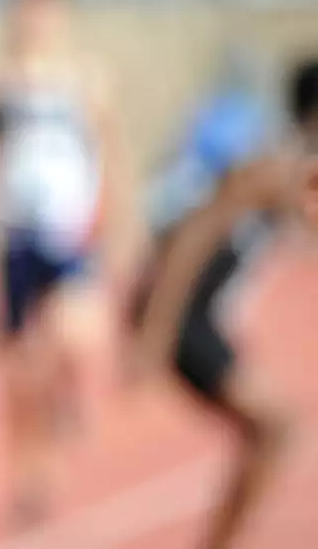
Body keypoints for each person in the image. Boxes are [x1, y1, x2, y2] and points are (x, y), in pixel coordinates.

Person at [0, 0, 132, 523]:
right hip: (15, 238)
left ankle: (67, 395)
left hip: (69, 234)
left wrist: (115, 226)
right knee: (21, 373)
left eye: (44, 12)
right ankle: (31, 474)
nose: (34, 22)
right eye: (26, 12)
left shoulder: (83, 79)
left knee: (70, 337)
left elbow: (111, 154)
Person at [130, 57, 318, 549]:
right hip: (186, 318)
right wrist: (156, 330)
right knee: (275, 429)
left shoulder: (296, 173)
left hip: (201, 318)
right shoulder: (270, 169)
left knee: (271, 433)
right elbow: (193, 236)